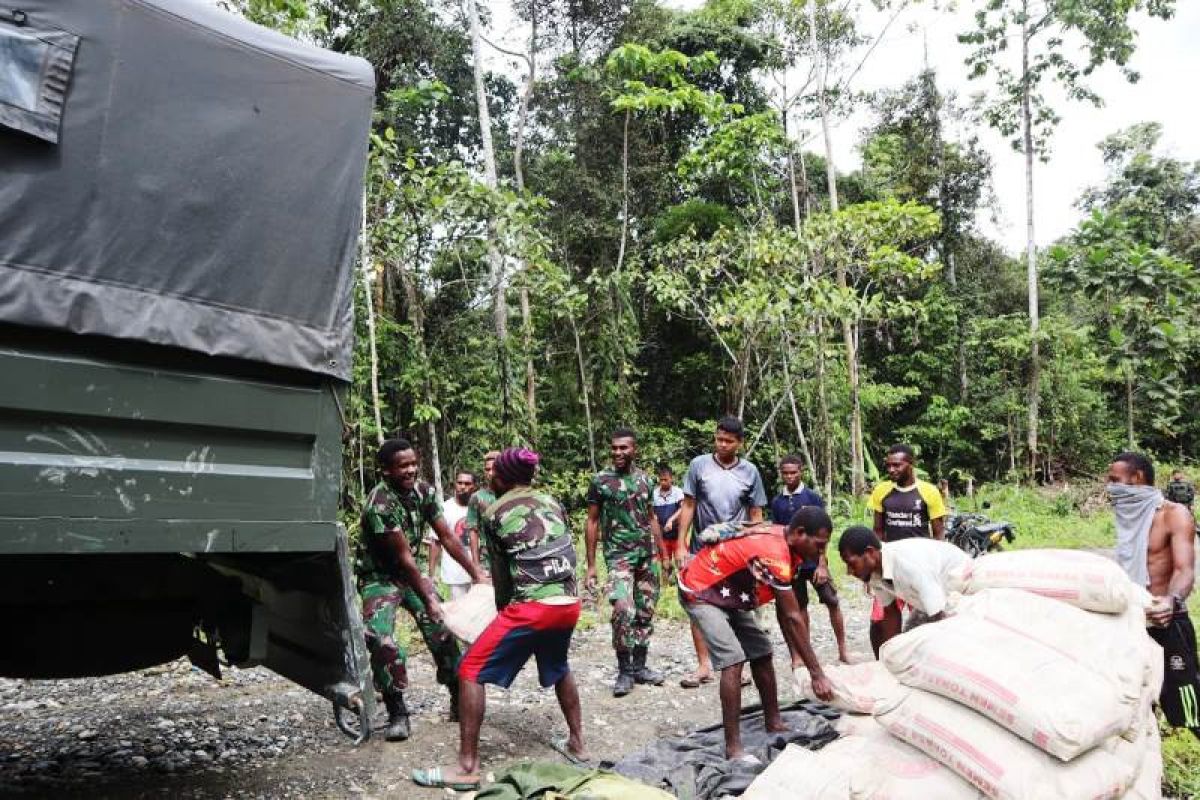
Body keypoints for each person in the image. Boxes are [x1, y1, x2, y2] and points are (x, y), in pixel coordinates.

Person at [413, 448, 586, 791]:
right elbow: (565, 549)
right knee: (559, 665)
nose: (489, 476)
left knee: (470, 670)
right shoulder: (552, 502)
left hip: (533, 607)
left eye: (494, 473)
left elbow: (503, 580)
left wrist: (500, 614)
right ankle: (578, 743)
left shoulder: (495, 511)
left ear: (501, 477)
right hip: (569, 602)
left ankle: (466, 768)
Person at [678, 507, 835, 760]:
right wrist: (817, 674)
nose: (820, 553)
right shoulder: (774, 552)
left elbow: (787, 614)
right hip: (701, 590)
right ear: (800, 533)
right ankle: (734, 748)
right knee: (733, 659)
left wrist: (807, 664)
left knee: (761, 651)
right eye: (819, 545)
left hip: (728, 593)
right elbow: (794, 618)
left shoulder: (787, 544)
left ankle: (773, 722)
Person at [357, 439, 486, 741]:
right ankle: (397, 712)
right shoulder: (380, 504)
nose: (411, 470)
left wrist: (477, 573)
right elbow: (403, 558)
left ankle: (457, 695)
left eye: (414, 463)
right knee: (382, 639)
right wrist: (428, 598)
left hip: (410, 574)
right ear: (386, 470)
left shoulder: (424, 493)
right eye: (403, 466)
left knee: (441, 627)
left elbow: (447, 537)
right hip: (380, 578)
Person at [1107, 452, 1199, 740]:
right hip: (1132, 622)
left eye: (1115, 480)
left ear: (1136, 478)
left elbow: (1185, 570)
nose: (1110, 487)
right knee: (1135, 701)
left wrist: (1171, 601)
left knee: (1189, 704)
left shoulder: (1174, 515)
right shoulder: (1128, 519)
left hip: (1167, 622)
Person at [675, 416, 769, 688]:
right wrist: (681, 544)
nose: (722, 445)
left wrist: (757, 548)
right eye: (719, 439)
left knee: (737, 603)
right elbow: (689, 505)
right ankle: (704, 664)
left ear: (740, 443)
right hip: (701, 549)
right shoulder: (699, 466)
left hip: (736, 550)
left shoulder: (750, 472)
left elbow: (756, 513)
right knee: (698, 603)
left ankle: (737, 663)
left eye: (729, 441)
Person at [585, 428, 666, 697]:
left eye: (624, 448)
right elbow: (592, 521)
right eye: (615, 448)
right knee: (622, 609)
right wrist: (592, 565)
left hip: (647, 555)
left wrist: (663, 554)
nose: (618, 452)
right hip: (618, 556)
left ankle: (640, 666)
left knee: (646, 610)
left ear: (634, 450)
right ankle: (624, 670)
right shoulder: (601, 481)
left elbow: (652, 517)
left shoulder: (646, 480)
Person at [866, 444, 947, 654]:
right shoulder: (881, 491)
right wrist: (872, 571)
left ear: (911, 465)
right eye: (888, 466)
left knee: (924, 618)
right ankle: (882, 660)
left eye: (897, 465)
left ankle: (924, 659)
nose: (891, 470)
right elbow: (877, 531)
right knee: (881, 618)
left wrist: (936, 569)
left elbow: (938, 532)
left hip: (918, 566)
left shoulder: (929, 492)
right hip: (889, 564)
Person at [838, 526, 970, 654]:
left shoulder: (908, 565)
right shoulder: (873, 572)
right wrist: (892, 653)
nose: (849, 571)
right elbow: (891, 612)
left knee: (930, 650)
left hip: (963, 588)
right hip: (937, 600)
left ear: (870, 552)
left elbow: (939, 616)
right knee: (906, 648)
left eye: (851, 563)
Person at [770, 455, 849, 665]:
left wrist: (822, 563)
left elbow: (824, 533)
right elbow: (778, 533)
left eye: (793, 472)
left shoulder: (812, 498)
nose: (789, 476)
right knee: (799, 607)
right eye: (785, 473)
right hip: (791, 564)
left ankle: (843, 650)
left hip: (814, 562)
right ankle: (802, 655)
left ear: (801, 471)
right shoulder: (777, 502)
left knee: (832, 601)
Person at [429, 471, 477, 601]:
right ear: (454, 485)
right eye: (460, 483)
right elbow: (436, 542)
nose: (463, 487)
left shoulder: (479, 507)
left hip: (479, 570)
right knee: (460, 612)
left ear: (474, 487)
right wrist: (431, 574)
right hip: (455, 572)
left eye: (467, 484)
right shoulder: (445, 509)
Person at [463, 450, 501, 570]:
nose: (490, 473)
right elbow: (473, 532)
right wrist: (476, 565)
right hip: (488, 560)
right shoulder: (477, 497)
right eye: (487, 469)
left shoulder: (512, 494)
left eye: (494, 469)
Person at [652, 464, 685, 578]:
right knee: (664, 561)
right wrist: (654, 518)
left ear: (671, 479)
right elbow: (651, 512)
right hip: (662, 534)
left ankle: (681, 581)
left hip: (677, 533)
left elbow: (683, 508)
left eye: (666, 479)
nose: (663, 482)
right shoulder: (655, 494)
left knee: (680, 561)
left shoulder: (678, 492)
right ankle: (666, 584)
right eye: (661, 480)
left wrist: (671, 520)